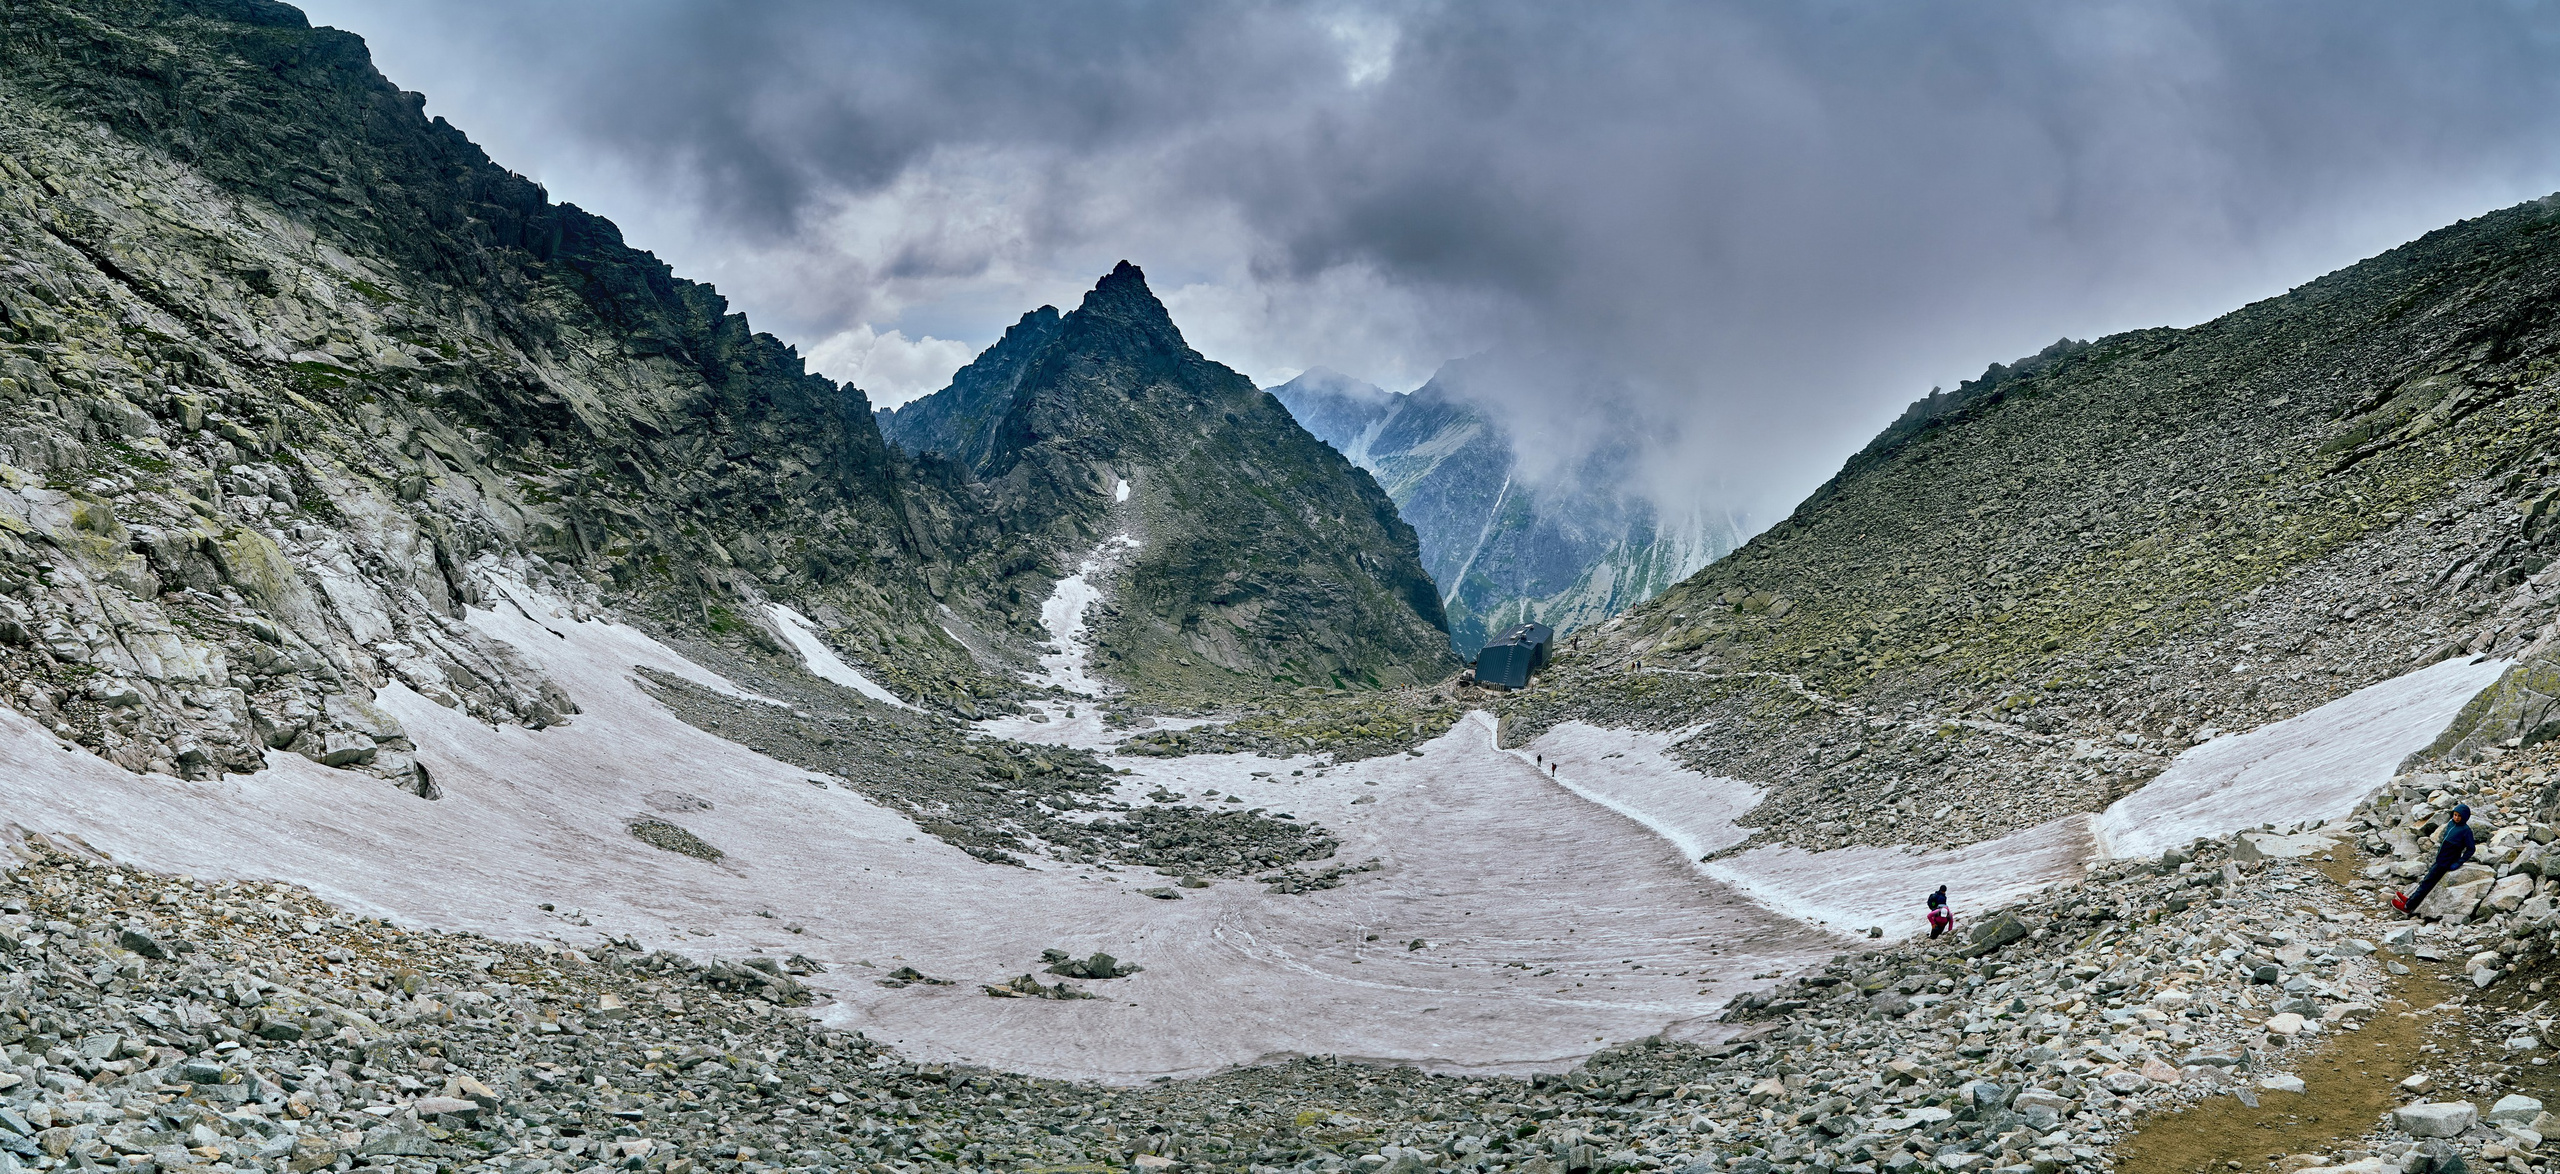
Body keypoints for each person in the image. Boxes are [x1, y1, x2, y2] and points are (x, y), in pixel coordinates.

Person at [2394, 804, 2476, 916]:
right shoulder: (2451, 823)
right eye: (2455, 815)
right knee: (2425, 880)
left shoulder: (2466, 830)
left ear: (2465, 817)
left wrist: (2458, 863)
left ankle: (2408, 906)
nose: (2456, 818)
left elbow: (2471, 849)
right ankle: (2409, 900)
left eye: (2459, 816)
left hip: (2447, 862)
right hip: (2440, 859)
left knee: (2427, 884)